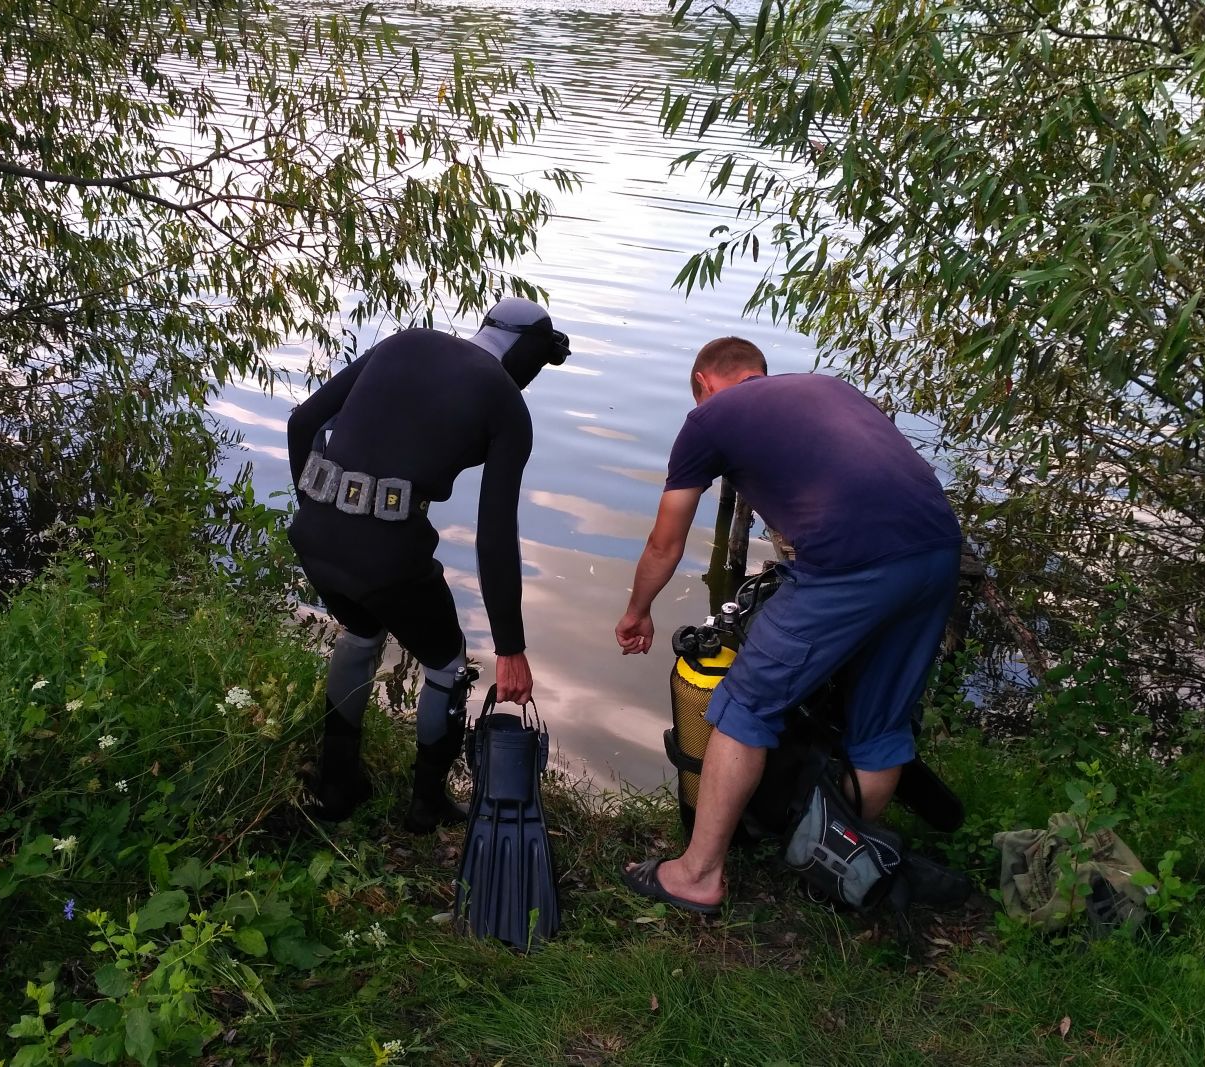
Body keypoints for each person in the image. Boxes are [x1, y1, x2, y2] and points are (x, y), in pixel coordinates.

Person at [614, 336, 961, 912]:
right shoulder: (830, 387)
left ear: (703, 381)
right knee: (878, 726)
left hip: (849, 564)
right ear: (759, 372)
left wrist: (637, 611)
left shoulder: (709, 418)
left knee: (743, 706)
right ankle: (837, 872)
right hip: (939, 553)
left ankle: (696, 875)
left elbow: (666, 540)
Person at [286, 297, 570, 831]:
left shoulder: (405, 341)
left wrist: (320, 510)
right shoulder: (506, 403)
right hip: (389, 553)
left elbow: (304, 422)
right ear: (529, 358)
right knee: (444, 660)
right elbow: (494, 536)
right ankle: (426, 805)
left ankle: (337, 784)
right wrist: (510, 647)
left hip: (314, 534)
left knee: (360, 629)